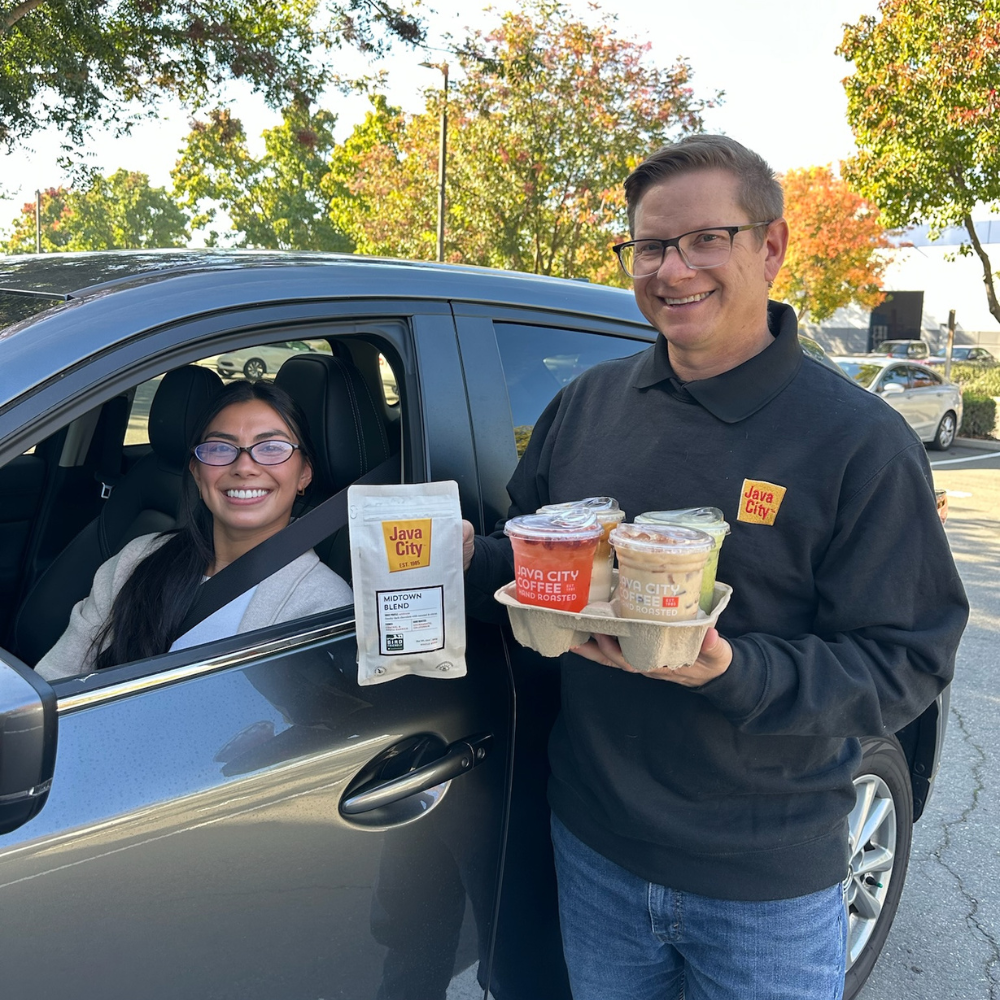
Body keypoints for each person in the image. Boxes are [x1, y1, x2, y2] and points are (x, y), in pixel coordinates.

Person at [462, 135, 968, 1000]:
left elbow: (907, 660)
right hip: (593, 847)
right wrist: (463, 556)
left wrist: (731, 667)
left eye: (706, 239)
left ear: (769, 247)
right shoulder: (584, 405)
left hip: (763, 881)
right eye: (651, 246)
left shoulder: (859, 443)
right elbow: (539, 555)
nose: (672, 269)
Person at [36, 380, 352, 681]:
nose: (244, 467)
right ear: (197, 473)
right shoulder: (136, 560)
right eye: (220, 448)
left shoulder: (324, 605)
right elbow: (57, 679)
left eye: (271, 448)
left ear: (304, 474)